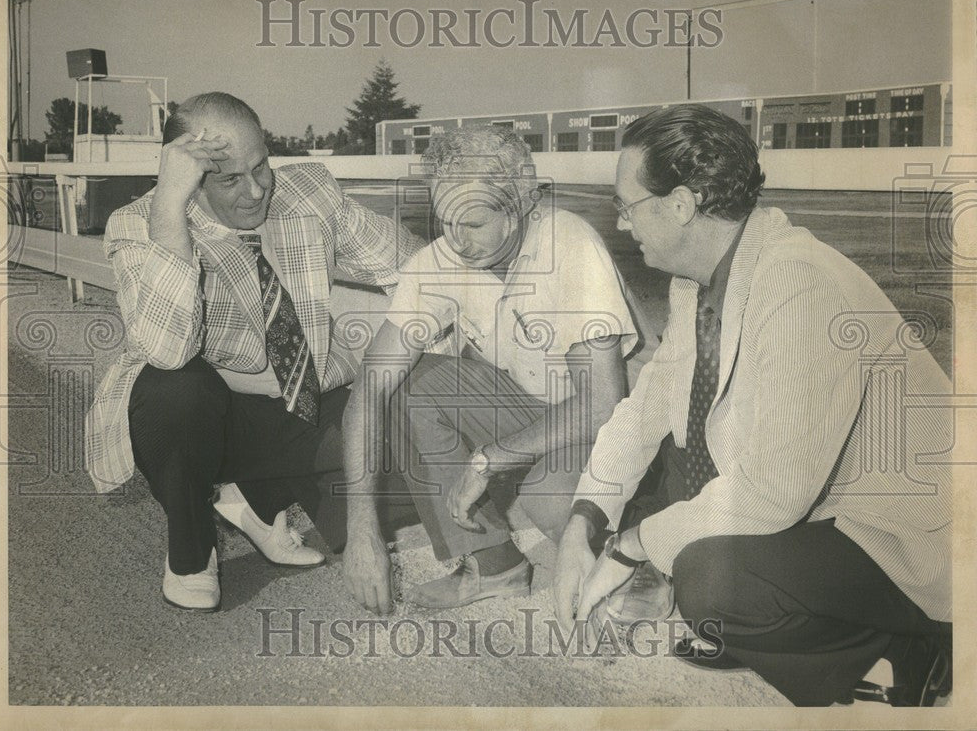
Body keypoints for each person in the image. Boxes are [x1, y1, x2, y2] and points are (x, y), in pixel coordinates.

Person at [553, 104, 952, 706]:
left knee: (711, 580)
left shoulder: (799, 282)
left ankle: (909, 645)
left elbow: (773, 492)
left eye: (627, 205)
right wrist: (583, 522)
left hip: (907, 537)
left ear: (681, 205)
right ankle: (777, 627)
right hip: (827, 506)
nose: (623, 222)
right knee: (679, 483)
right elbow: (647, 409)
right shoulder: (702, 277)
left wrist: (629, 545)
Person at [84, 92, 421, 611]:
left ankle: (256, 501)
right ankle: (192, 550)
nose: (258, 189)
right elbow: (167, 351)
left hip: (301, 400)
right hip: (202, 418)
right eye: (229, 179)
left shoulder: (308, 191)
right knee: (174, 389)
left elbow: (415, 266)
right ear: (190, 181)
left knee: (406, 439)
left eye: (260, 165)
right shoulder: (140, 224)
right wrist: (170, 211)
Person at [341, 125, 657, 615]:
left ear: (522, 201)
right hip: (541, 412)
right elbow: (369, 390)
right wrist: (361, 527)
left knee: (552, 501)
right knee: (408, 384)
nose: (457, 241)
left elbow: (602, 402)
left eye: (473, 222)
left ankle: (648, 547)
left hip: (629, 424)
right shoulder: (439, 260)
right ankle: (495, 566)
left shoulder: (567, 242)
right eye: (445, 221)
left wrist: (490, 458)